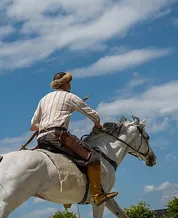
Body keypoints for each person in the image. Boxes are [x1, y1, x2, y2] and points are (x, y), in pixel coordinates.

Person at [30, 71, 118, 206]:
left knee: (67, 158)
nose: (70, 85)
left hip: (42, 139)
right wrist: (97, 125)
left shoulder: (44, 99)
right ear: (65, 83)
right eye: (69, 82)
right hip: (58, 136)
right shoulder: (69, 97)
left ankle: (67, 196)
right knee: (93, 157)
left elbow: (33, 124)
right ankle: (97, 195)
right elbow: (93, 114)